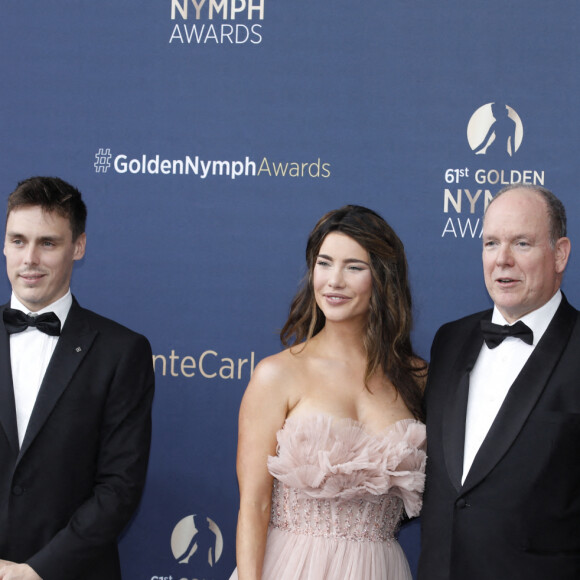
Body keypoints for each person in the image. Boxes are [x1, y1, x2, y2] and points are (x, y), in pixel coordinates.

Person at [230, 205, 427, 580]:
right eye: (324, 263)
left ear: (383, 279)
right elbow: (254, 504)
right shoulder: (277, 374)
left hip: (380, 569)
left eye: (354, 267)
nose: (334, 281)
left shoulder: (417, 378)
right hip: (291, 567)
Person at [418, 183, 580, 579]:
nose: (502, 260)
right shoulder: (450, 339)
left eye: (521, 243)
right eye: (491, 244)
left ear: (560, 254)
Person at [0, 177, 155, 580]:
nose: (29, 258)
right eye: (18, 240)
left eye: (47, 243)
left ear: (79, 247)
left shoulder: (122, 352)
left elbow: (119, 488)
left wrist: (36, 571)